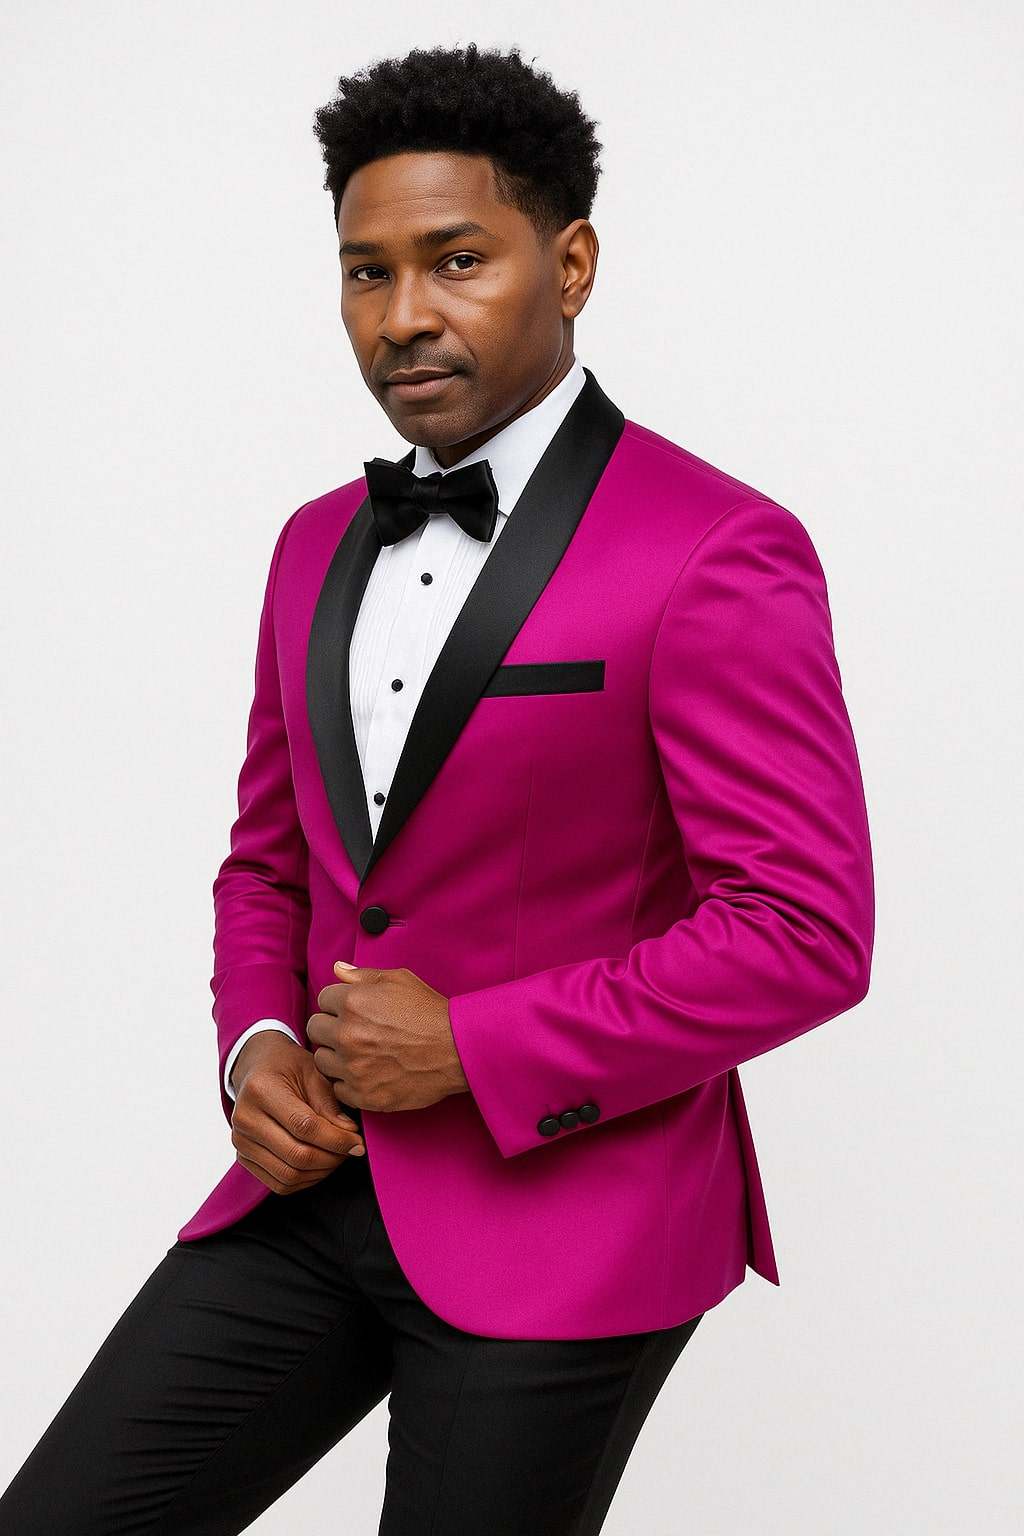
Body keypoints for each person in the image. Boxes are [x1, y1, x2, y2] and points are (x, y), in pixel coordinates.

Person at [0, 42, 874, 1536]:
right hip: (317, 1186)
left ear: (571, 263)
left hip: (572, 1219)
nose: (403, 315)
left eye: (457, 261)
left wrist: (469, 1045)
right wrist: (255, 1047)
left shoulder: (715, 549)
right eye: (367, 273)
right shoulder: (311, 543)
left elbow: (802, 933)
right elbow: (269, 862)